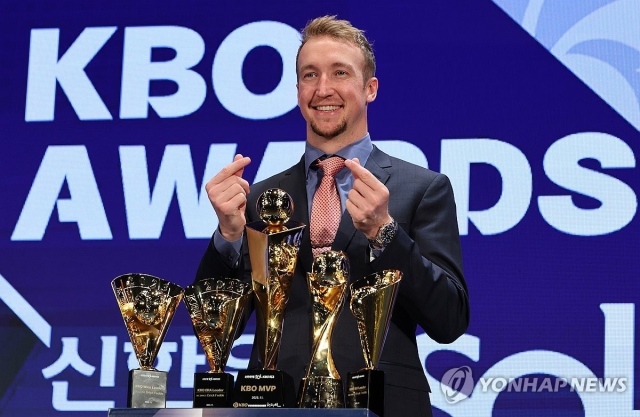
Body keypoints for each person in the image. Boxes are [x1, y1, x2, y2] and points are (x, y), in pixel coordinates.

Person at [195, 15, 469, 416]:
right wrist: (230, 235)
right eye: (310, 75)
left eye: (340, 73)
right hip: (273, 405)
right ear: (297, 90)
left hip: (383, 404)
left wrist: (386, 233)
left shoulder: (420, 189)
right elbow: (217, 330)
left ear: (369, 88)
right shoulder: (259, 200)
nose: (324, 89)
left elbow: (450, 318)